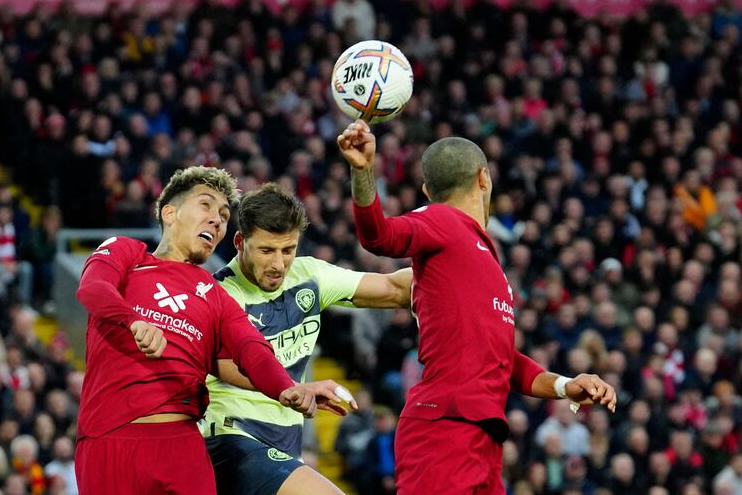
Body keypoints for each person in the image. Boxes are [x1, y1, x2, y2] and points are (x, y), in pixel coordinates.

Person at [338, 120, 617, 494]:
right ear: (483, 178)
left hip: (482, 435)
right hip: (445, 427)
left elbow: (503, 360)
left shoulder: (482, 256)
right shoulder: (442, 220)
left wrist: (567, 386)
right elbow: (379, 236)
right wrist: (362, 171)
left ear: (427, 188)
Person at [74, 166, 333, 495]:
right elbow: (92, 288)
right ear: (170, 213)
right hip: (108, 438)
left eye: (224, 215)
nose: (217, 219)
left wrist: (285, 387)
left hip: (181, 447)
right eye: (206, 205)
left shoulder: (215, 296)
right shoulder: (128, 254)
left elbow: (252, 349)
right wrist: (132, 320)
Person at [201, 183, 412, 495]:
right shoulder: (218, 294)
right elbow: (221, 363)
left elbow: (395, 289)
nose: (278, 265)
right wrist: (293, 387)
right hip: (231, 437)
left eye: (288, 250)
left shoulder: (309, 276)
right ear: (239, 241)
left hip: (285, 444)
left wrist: (463, 275)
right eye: (266, 250)